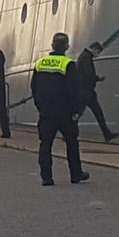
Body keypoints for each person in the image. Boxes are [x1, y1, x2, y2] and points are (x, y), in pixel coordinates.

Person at [30, 32, 89, 186]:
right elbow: (75, 90)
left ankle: (46, 177)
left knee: (45, 144)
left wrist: (40, 106)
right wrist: (76, 111)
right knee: (71, 142)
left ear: (52, 46)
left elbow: (34, 88)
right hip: (65, 113)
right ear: (66, 47)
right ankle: (76, 174)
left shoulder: (40, 63)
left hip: (46, 112)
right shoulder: (68, 64)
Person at [77, 42, 119, 142]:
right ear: (94, 49)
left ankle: (107, 133)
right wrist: (97, 78)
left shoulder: (84, 56)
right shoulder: (86, 58)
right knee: (96, 113)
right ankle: (107, 134)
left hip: (84, 91)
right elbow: (88, 74)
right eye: (98, 52)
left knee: (79, 113)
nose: (98, 54)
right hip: (87, 92)